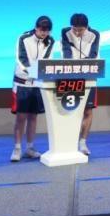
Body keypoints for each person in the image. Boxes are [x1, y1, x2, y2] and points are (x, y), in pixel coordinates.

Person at [11, 16, 54, 162]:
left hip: (38, 83)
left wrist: (41, 74)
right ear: (36, 28)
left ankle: (30, 148)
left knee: (33, 116)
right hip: (22, 82)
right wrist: (32, 72)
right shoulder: (23, 38)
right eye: (42, 30)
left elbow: (47, 60)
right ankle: (17, 148)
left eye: (47, 31)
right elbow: (21, 59)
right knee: (21, 117)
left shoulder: (50, 41)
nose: (44, 33)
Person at [62, 13, 100, 155]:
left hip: (89, 76)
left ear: (87, 27)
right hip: (70, 76)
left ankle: (83, 142)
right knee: (69, 109)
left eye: (80, 30)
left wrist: (83, 67)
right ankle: (69, 141)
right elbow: (67, 53)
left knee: (88, 111)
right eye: (75, 29)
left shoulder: (94, 34)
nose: (77, 33)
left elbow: (93, 54)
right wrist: (73, 69)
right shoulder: (65, 32)